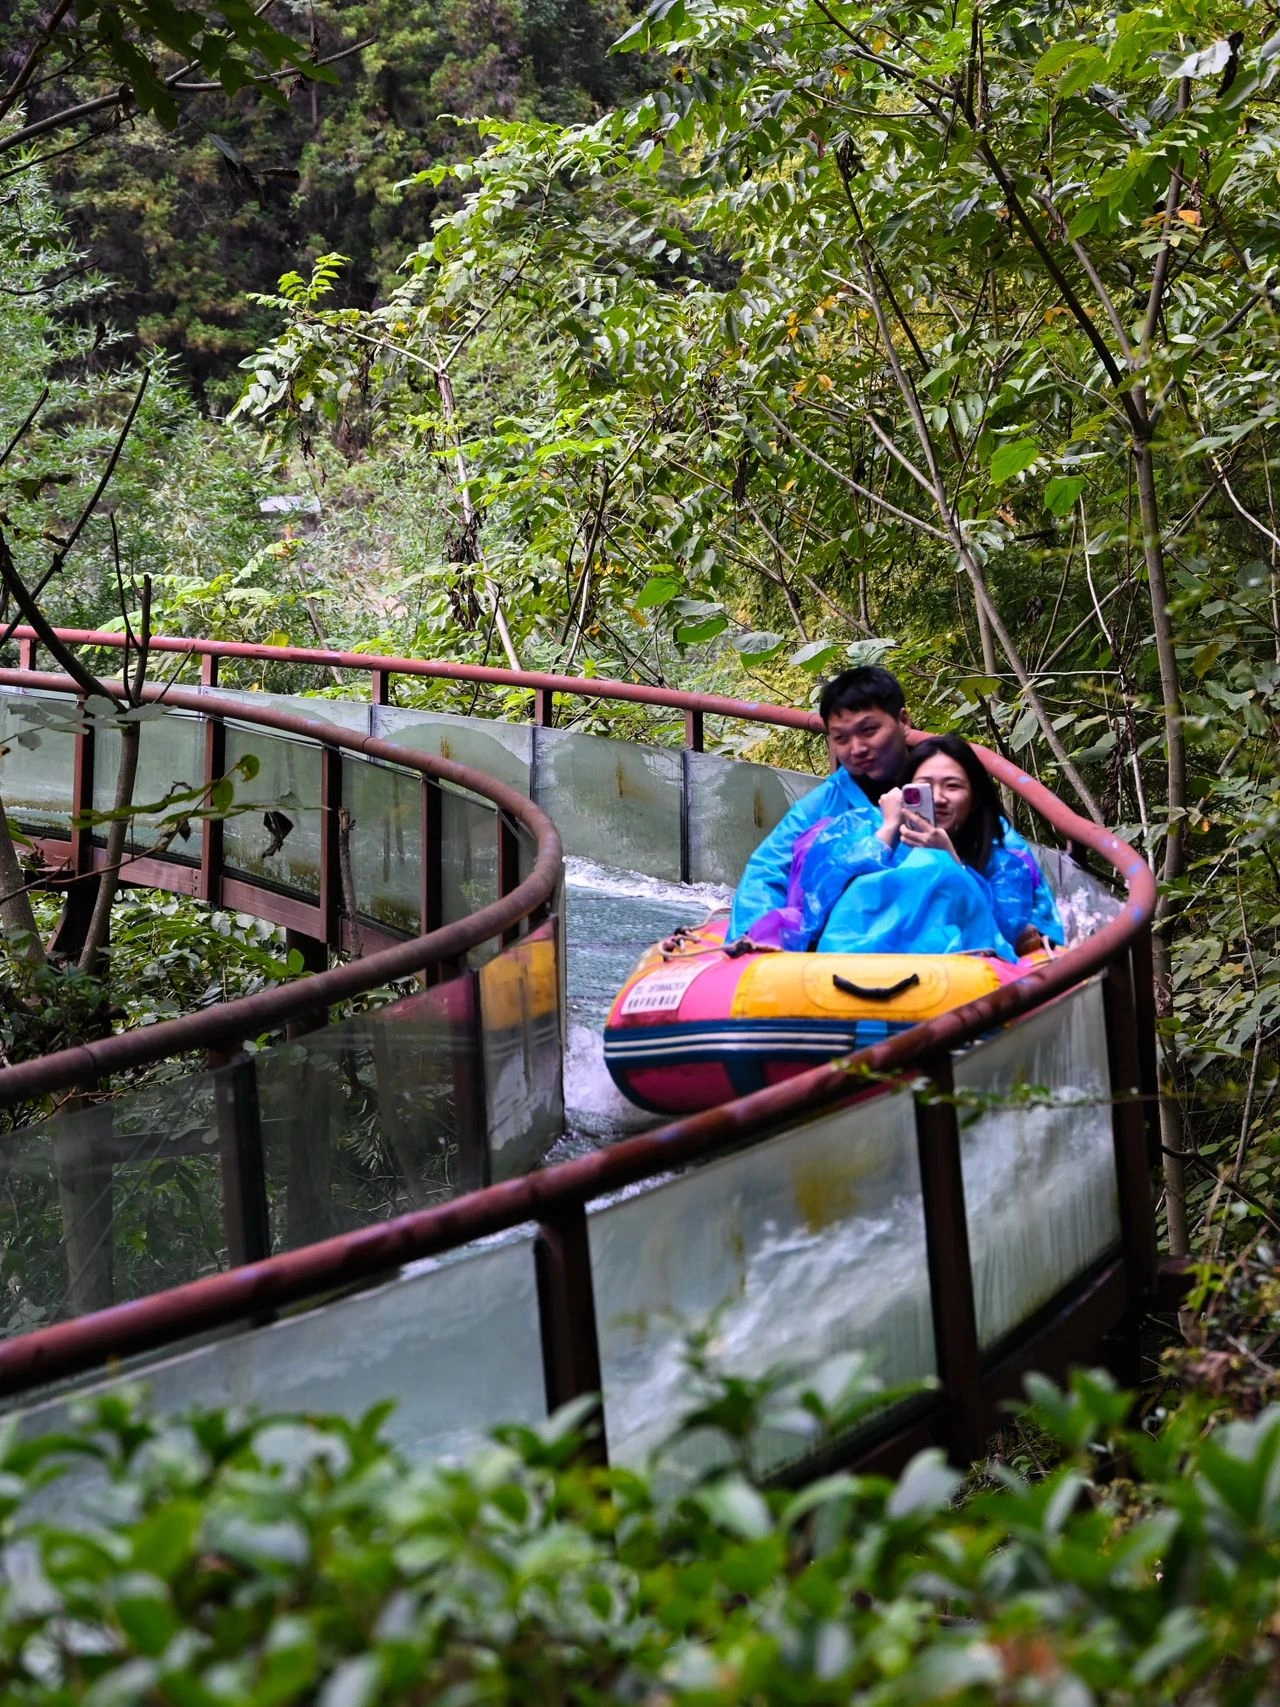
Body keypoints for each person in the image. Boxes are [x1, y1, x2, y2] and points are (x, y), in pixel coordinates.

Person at [728, 666, 1063, 957]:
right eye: (840, 738)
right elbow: (768, 869)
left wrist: (1040, 930)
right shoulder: (822, 807)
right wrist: (752, 937)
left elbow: (1012, 861)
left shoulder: (946, 784)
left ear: (903, 721)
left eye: (869, 730)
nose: (856, 749)